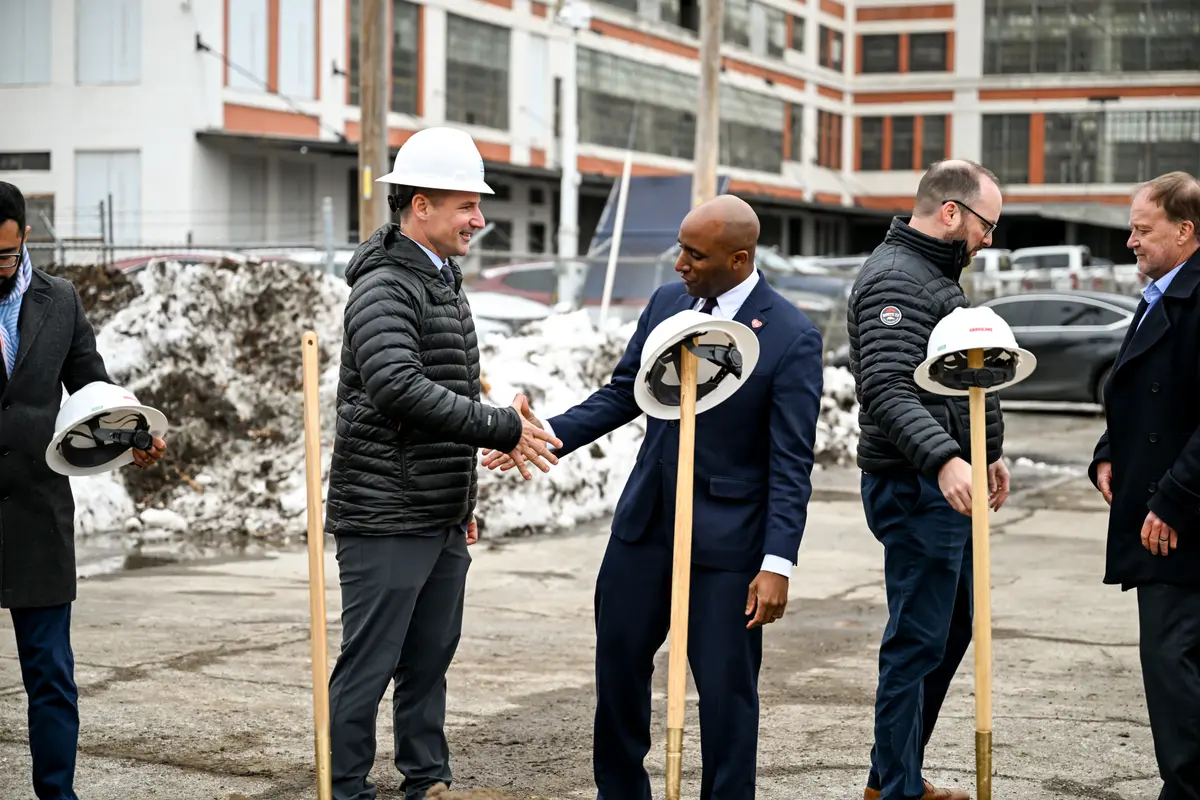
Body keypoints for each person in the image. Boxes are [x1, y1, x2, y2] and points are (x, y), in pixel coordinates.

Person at [483, 193, 825, 799]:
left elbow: (791, 462)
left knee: (725, 691)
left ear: (740, 259)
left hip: (728, 546)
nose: (678, 265)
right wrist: (542, 436)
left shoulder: (792, 336)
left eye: (695, 255)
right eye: (680, 249)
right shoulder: (670, 304)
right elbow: (623, 394)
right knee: (617, 668)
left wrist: (778, 564)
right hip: (645, 529)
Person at [322, 126, 560, 800]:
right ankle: (346, 789)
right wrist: (503, 426)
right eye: (466, 207)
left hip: (436, 513)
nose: (479, 220)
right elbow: (398, 388)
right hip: (386, 511)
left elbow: (451, 395)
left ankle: (426, 781)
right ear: (420, 205)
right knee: (370, 664)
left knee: (428, 660)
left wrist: (463, 505)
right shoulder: (385, 286)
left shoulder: (441, 281)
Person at [845, 160, 1011, 800]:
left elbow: (960, 374)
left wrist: (985, 449)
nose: (988, 240)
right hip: (916, 486)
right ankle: (895, 790)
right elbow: (886, 388)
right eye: (985, 224)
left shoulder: (932, 277)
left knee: (952, 625)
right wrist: (946, 458)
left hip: (942, 479)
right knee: (918, 639)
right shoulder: (898, 279)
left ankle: (893, 774)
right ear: (951, 212)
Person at [0, 181, 168, 800]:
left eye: (4, 255)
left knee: (50, 674)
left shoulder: (60, 301)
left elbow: (91, 389)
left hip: (39, 513)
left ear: (24, 242)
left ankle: (57, 795)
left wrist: (134, 432)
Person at [1088, 171, 1200, 800]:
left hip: (1181, 517)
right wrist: (1108, 452)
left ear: (1185, 231)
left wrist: (1174, 501)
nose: (1130, 241)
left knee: (1170, 659)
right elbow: (1137, 396)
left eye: (1141, 229)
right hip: (1163, 503)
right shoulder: (1162, 291)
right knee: (1176, 657)